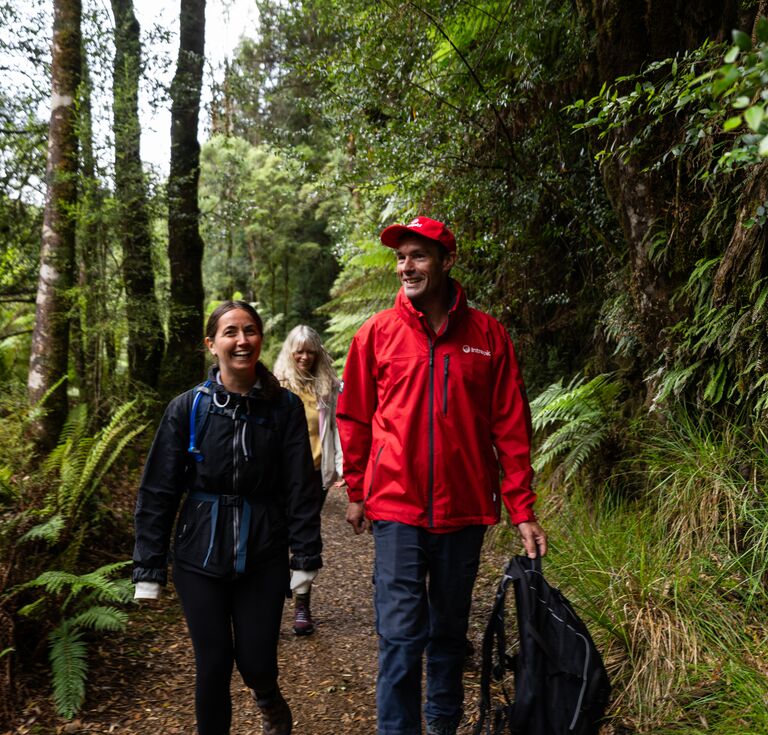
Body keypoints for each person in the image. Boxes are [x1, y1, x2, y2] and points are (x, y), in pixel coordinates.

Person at [336, 216, 547, 735]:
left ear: (446, 262)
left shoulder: (488, 335)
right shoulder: (376, 335)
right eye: (401, 257)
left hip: (463, 511)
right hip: (396, 508)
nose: (406, 266)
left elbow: (511, 427)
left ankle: (443, 725)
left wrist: (522, 509)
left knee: (450, 635)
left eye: (418, 256)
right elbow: (355, 416)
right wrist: (358, 491)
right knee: (402, 636)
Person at [132, 301, 323, 735]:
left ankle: (268, 697)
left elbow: (300, 487)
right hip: (199, 556)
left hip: (264, 552)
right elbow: (159, 489)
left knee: (256, 662)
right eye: (231, 332)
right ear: (211, 344)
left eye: (250, 331)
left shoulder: (285, 409)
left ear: (260, 338)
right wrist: (149, 567)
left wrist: (304, 557)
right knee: (213, 663)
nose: (242, 341)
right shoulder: (187, 409)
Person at [273, 324, 346, 636]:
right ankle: (270, 602)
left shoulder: (329, 387)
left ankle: (302, 604)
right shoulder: (276, 387)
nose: (304, 356)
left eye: (310, 350)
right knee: (274, 537)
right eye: (299, 350)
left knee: (305, 536)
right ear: (290, 351)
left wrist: (343, 469)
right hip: (278, 474)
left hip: (314, 474)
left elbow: (339, 430)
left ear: (318, 353)